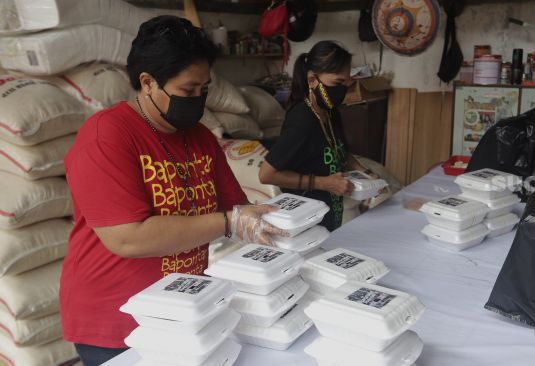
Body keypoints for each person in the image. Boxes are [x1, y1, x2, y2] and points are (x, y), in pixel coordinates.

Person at [60, 16, 285, 366]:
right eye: (187, 90)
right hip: (117, 322)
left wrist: (276, 228)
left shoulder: (200, 138)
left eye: (204, 89)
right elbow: (128, 238)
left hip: (183, 307)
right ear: (148, 82)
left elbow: (234, 206)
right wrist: (229, 222)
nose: (198, 100)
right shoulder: (108, 136)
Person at [259, 41, 372, 231]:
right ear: (312, 80)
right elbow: (266, 174)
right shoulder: (302, 120)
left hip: (329, 214)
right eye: (337, 83)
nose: (342, 90)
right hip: (305, 220)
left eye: (346, 83)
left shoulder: (330, 112)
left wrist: (369, 175)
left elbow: (341, 151)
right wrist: (324, 183)